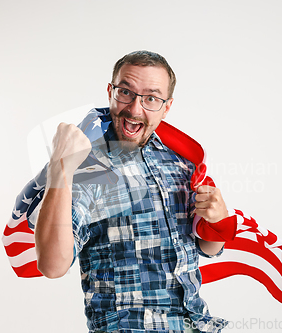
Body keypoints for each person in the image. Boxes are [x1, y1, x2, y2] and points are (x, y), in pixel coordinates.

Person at [34, 50, 230, 333]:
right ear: (110, 92)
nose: (135, 109)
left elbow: (206, 248)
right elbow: (52, 265)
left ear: (167, 106)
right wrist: (60, 168)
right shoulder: (88, 167)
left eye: (151, 98)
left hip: (196, 325)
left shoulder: (181, 162)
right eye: (126, 92)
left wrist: (217, 220)